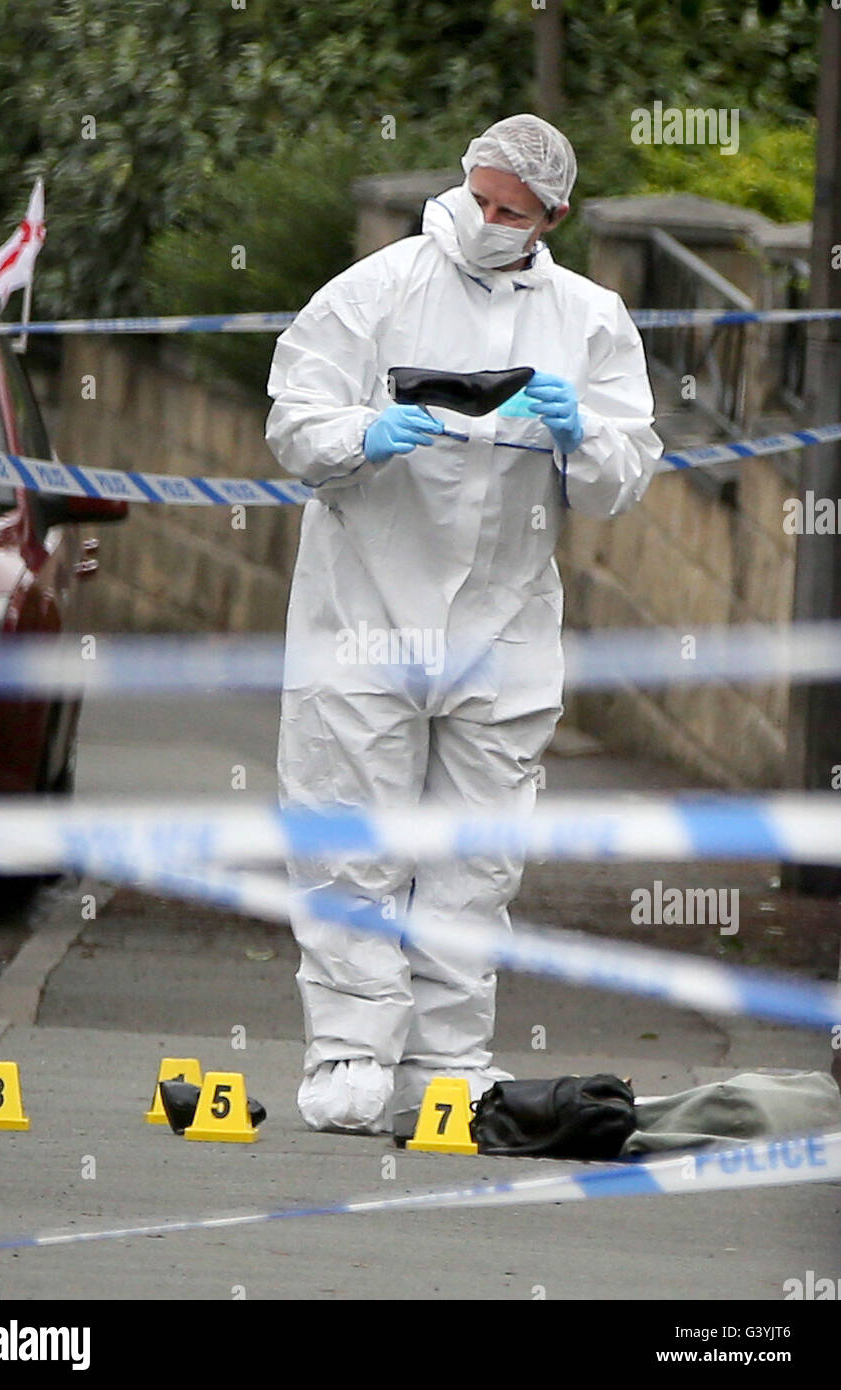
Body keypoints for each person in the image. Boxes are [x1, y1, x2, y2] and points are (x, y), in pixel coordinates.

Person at [265, 113, 664, 1135]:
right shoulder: (378, 288)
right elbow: (292, 415)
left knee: (474, 859)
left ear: (552, 216)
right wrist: (363, 430)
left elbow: (625, 468)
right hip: (362, 613)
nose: (489, 221)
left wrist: (585, 437)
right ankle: (350, 1051)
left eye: (512, 211)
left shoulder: (586, 317)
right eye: (479, 199)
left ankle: (445, 1066)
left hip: (502, 628)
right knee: (350, 842)